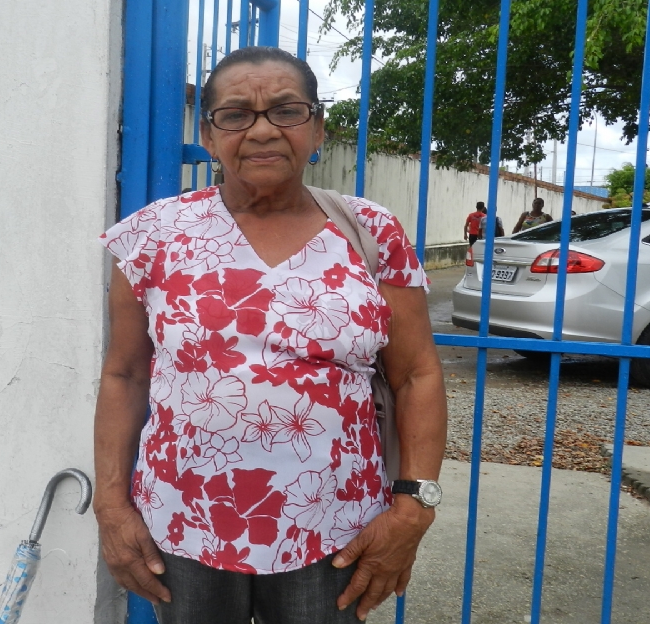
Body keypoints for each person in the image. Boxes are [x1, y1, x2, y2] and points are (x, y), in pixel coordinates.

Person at [94, 46, 447, 624]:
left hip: (334, 525)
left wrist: (414, 507)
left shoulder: (371, 231)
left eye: (287, 110)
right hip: (186, 519)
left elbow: (417, 375)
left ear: (318, 130)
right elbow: (125, 374)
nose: (262, 130)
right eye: (236, 114)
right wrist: (111, 505)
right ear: (208, 136)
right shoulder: (154, 235)